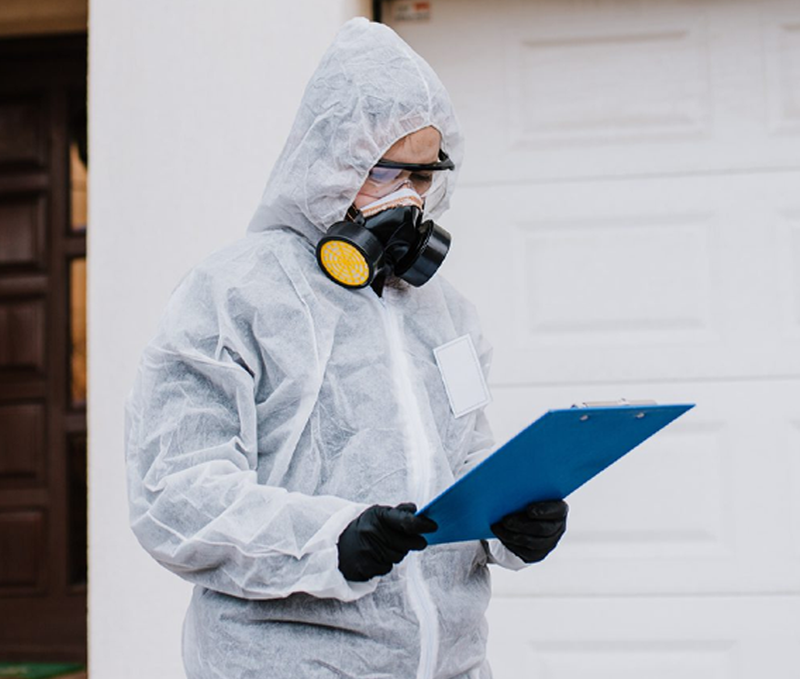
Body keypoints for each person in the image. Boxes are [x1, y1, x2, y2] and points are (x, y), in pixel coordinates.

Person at [125, 17, 567, 679]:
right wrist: (329, 540)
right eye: (393, 173)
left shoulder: (444, 313)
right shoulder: (233, 295)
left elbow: (465, 448)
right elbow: (176, 494)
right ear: (333, 160)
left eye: (426, 178)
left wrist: (511, 519)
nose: (412, 201)